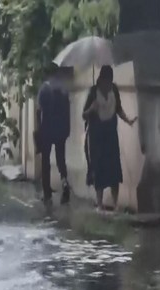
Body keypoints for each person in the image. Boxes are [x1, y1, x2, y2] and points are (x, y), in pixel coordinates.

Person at [83, 65, 137, 212]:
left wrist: (128, 120)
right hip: (97, 136)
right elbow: (84, 115)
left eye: (110, 81)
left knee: (114, 169)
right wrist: (91, 109)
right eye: (105, 80)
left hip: (110, 134)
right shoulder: (93, 92)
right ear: (101, 79)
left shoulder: (114, 90)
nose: (107, 84)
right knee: (99, 168)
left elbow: (118, 108)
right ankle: (99, 204)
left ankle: (115, 204)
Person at [35, 62, 71, 205]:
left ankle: (47, 193)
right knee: (61, 159)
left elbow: (39, 111)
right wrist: (67, 129)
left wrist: (39, 127)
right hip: (61, 129)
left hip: (47, 128)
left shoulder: (44, 88)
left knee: (45, 161)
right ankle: (64, 182)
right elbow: (67, 110)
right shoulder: (63, 89)